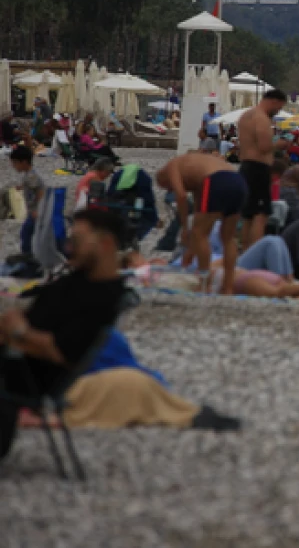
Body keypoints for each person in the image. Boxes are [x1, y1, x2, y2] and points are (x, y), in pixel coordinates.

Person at [0, 209, 132, 451]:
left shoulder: (103, 297)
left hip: (23, 377)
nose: (69, 248)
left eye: (77, 241)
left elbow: (63, 353)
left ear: (105, 243)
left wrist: (19, 333)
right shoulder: (73, 282)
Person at [154, 152, 246, 295]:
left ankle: (204, 284)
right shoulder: (196, 168)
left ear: (164, 178)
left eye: (168, 187)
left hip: (216, 180)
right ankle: (228, 287)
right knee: (228, 238)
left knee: (198, 233)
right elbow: (199, 211)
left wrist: (184, 228)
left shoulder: (173, 165)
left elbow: (181, 196)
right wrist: (191, 248)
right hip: (238, 181)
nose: (170, 190)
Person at [236, 88, 288, 249]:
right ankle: (254, 250)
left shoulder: (246, 116)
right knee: (261, 214)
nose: (278, 111)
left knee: (248, 215)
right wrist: (279, 145)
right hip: (258, 168)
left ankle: (244, 250)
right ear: (274, 102)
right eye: (279, 108)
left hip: (245, 166)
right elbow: (264, 147)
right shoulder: (262, 119)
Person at [9, 146, 44, 255]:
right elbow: (30, 185)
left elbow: (40, 192)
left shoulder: (31, 176)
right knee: (28, 234)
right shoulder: (29, 174)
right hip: (32, 211)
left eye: (15, 163)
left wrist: (38, 209)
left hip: (35, 212)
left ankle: (28, 257)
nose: (14, 166)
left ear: (23, 162)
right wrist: (21, 187)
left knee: (27, 234)